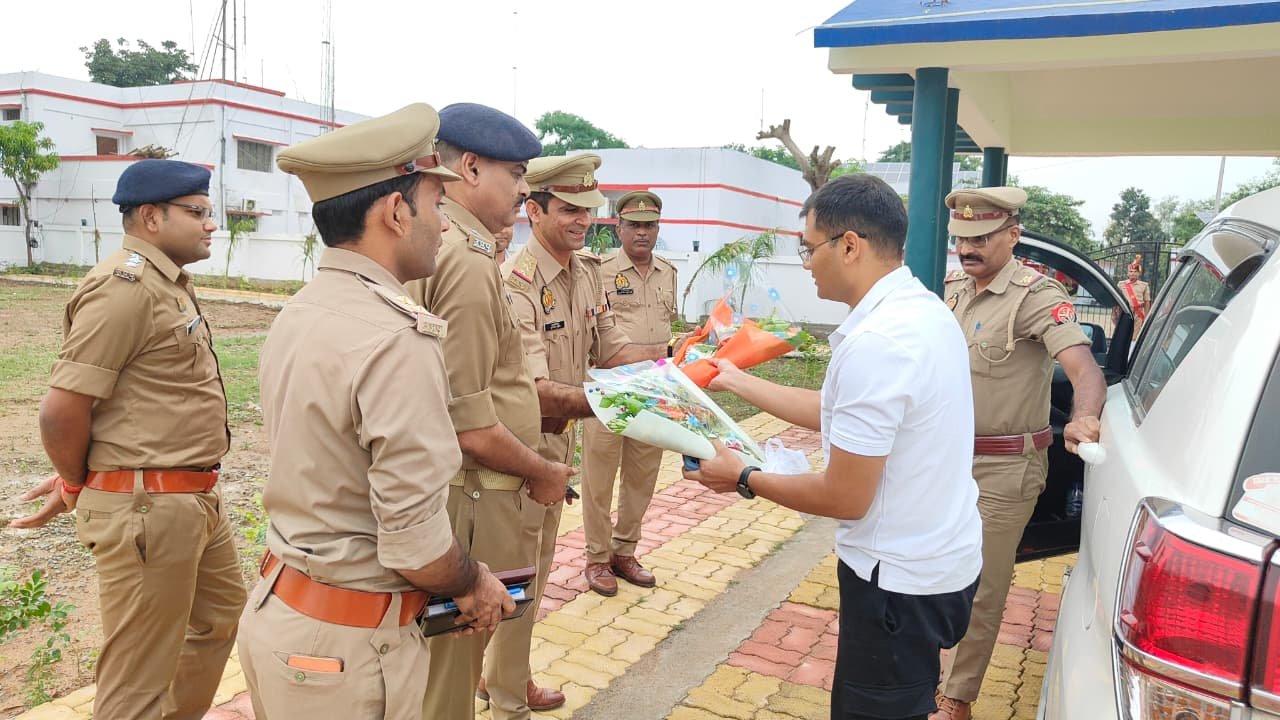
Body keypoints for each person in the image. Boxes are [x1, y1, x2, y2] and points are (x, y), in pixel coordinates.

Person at [236, 103, 514, 720]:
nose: (443, 224)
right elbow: (415, 544)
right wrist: (473, 582)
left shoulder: (304, 308)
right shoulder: (396, 338)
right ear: (395, 211)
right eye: (437, 204)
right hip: (347, 652)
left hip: (284, 615)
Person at [688, 174, 983, 720]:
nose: (805, 263)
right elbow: (836, 410)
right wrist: (735, 379)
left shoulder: (878, 344)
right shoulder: (921, 310)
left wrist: (743, 477)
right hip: (940, 559)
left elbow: (846, 497)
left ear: (849, 245)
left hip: (896, 583)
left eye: (809, 248)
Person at [9, 159, 247, 720]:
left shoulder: (168, 283)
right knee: (137, 676)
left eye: (210, 211)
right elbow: (62, 411)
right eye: (197, 212)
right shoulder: (125, 290)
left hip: (192, 497)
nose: (211, 224)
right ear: (151, 217)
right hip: (148, 506)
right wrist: (75, 482)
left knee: (218, 617)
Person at [401, 102, 576, 719]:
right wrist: (543, 470)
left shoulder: (433, 242)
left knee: (440, 665)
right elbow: (468, 422)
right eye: (517, 174)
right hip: (475, 495)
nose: (525, 189)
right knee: (451, 675)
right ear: (471, 168)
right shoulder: (469, 259)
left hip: (458, 490)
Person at [492, 153, 676, 720]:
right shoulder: (517, 283)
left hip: (557, 444)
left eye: (588, 209)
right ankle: (507, 697)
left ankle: (501, 676)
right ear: (534, 210)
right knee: (518, 572)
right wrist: (623, 400)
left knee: (534, 568)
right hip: (519, 452)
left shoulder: (584, 273)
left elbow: (613, 349)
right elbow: (537, 392)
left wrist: (679, 359)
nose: (583, 220)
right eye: (570, 209)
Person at [934, 186, 1106, 720]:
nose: (968, 248)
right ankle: (925, 672)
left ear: (1012, 235)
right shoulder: (954, 289)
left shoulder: (1036, 296)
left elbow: (1085, 371)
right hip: (946, 460)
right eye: (961, 238)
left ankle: (956, 698)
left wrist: (1083, 417)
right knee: (933, 568)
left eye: (981, 237)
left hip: (1006, 467)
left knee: (983, 585)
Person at [579, 190, 677, 596]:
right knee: (599, 479)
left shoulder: (668, 272)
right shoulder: (597, 271)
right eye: (634, 225)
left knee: (642, 476)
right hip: (610, 389)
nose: (642, 233)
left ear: (657, 229)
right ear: (618, 228)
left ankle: (625, 551)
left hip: (653, 390)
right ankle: (597, 558)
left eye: (649, 225)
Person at [1117, 255, 1151, 338]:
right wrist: (1115, 313)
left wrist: (1146, 317)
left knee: (1135, 336)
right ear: (1128, 273)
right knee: (1123, 334)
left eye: (1135, 271)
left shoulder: (1144, 285)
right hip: (1125, 312)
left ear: (1139, 273)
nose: (1133, 273)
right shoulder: (1121, 284)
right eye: (1131, 271)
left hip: (1138, 313)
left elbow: (1147, 302)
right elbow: (1116, 299)